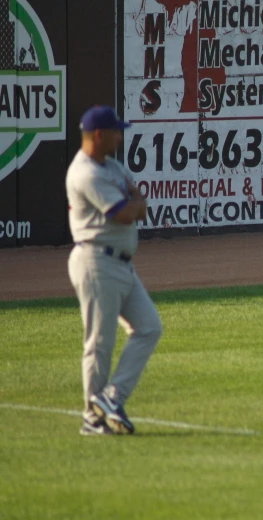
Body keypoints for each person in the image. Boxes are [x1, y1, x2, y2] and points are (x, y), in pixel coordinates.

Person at [66, 105, 162, 436]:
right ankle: (91, 418)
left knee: (149, 327)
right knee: (100, 342)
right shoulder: (84, 172)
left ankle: (110, 398)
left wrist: (136, 205)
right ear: (98, 135)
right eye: (116, 131)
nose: (120, 136)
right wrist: (135, 205)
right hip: (96, 262)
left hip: (121, 264)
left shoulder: (114, 166)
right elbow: (124, 212)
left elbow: (140, 204)